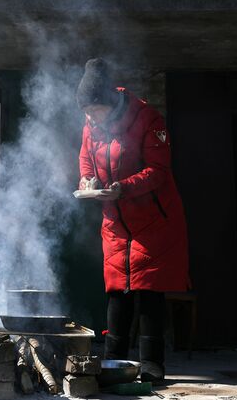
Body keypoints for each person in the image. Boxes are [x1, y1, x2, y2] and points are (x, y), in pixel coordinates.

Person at [76, 58, 189, 383]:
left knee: (149, 289)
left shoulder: (149, 119)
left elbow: (159, 170)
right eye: (86, 112)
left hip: (153, 218)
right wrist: (87, 181)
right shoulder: (90, 126)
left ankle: (152, 364)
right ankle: (114, 364)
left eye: (94, 110)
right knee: (117, 289)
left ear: (109, 103)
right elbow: (86, 157)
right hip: (116, 220)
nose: (90, 117)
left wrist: (122, 188)